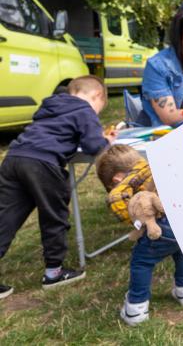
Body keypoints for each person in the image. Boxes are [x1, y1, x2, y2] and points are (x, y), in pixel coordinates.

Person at [0, 76, 116, 299]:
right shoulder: (84, 109)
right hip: (43, 164)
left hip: (14, 158)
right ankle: (54, 272)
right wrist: (107, 141)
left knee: (5, 217)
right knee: (54, 215)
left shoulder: (50, 106)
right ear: (97, 96)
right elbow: (94, 146)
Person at [94, 145, 183, 325]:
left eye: (111, 185)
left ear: (117, 177)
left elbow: (115, 198)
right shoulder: (152, 166)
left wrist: (135, 219)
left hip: (159, 225)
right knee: (182, 252)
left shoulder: (125, 182)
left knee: (142, 261)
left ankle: (136, 307)